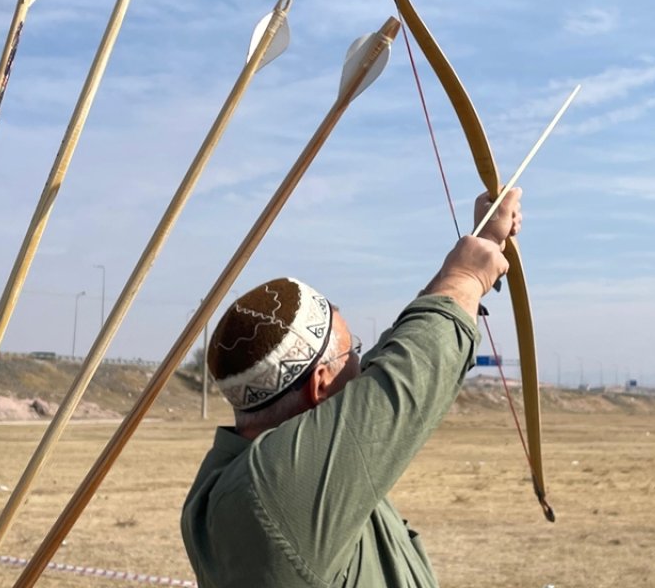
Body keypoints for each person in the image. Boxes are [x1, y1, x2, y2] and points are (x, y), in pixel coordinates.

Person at [181, 188, 523, 587]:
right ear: (320, 383)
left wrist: (480, 247)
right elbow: (401, 381)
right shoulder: (275, 488)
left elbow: (390, 362)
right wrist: (466, 277)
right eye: (352, 352)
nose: (362, 361)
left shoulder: (233, 477)